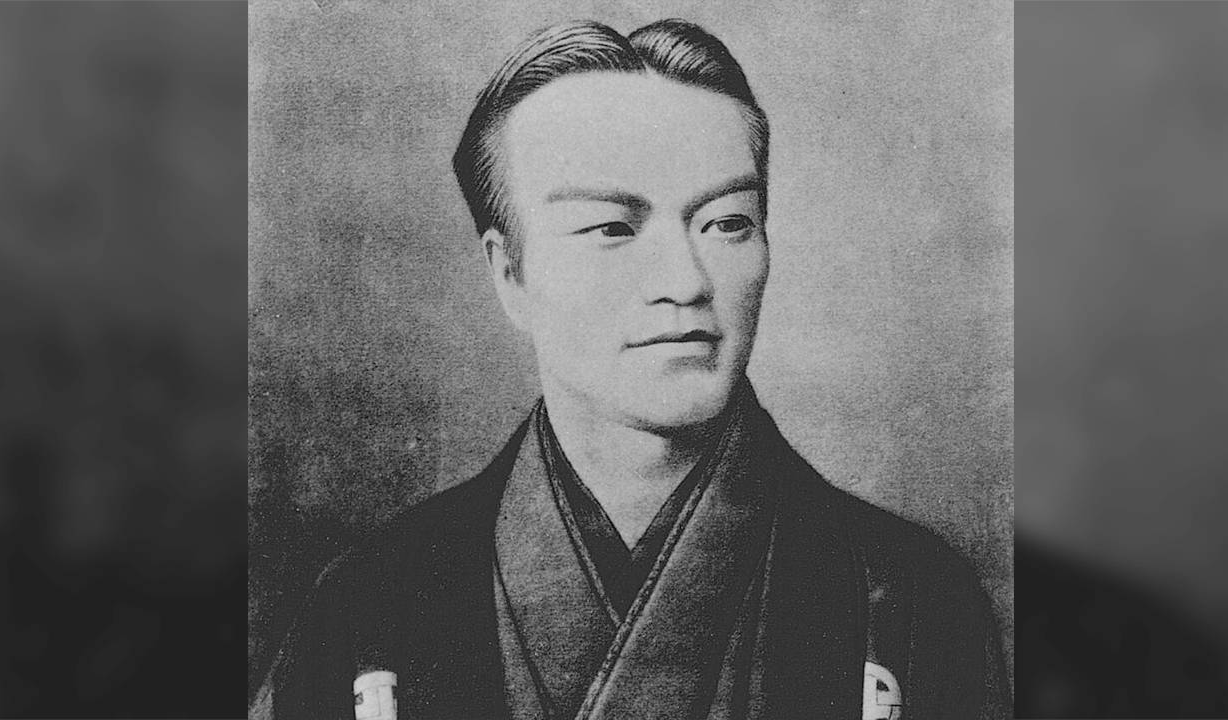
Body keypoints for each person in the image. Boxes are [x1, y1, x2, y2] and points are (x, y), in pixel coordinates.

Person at [252, 18, 1009, 720]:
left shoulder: (910, 596)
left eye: (727, 223)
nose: (685, 280)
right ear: (508, 272)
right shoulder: (371, 600)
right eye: (612, 227)